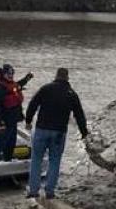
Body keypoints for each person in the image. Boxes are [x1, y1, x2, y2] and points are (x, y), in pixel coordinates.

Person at [25, 67, 89, 199]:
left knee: (36, 159)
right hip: (59, 133)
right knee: (55, 161)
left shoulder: (46, 89)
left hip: (42, 129)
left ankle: (33, 191)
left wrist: (28, 120)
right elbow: (79, 115)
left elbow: (32, 104)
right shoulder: (71, 94)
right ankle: (50, 191)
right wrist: (84, 133)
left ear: (56, 76)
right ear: (67, 78)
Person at [0, 63, 33, 163]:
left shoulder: (11, 84)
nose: (11, 75)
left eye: (12, 73)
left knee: (10, 144)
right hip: (3, 122)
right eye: (8, 73)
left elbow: (18, 85)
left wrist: (27, 78)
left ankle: (7, 160)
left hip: (13, 121)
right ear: (3, 74)